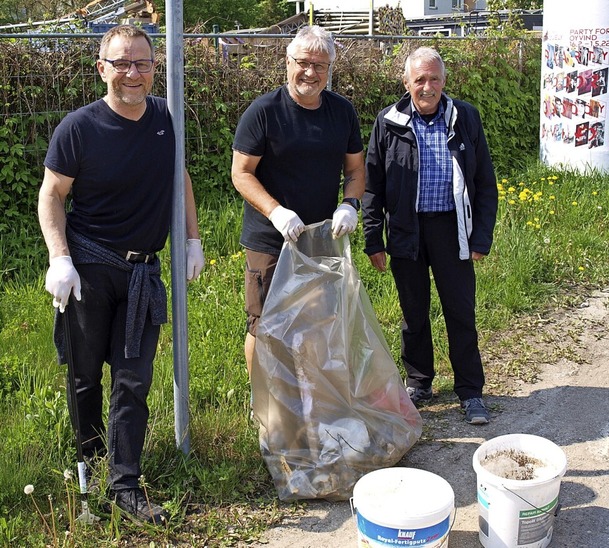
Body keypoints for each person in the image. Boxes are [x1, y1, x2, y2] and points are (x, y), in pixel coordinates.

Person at [38, 24, 204, 523]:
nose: (133, 73)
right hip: (89, 268)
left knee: (133, 380)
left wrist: (193, 239)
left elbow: (181, 176)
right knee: (86, 376)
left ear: (155, 67)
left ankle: (124, 485)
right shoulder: (79, 128)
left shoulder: (163, 118)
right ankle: (87, 467)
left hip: (142, 277)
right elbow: (51, 194)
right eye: (122, 63)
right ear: (102, 69)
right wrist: (59, 258)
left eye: (144, 63)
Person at [362, 47, 497, 424]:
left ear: (444, 81)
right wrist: (373, 239)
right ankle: (419, 382)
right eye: (419, 79)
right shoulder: (388, 122)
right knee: (413, 313)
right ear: (406, 83)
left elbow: (485, 183)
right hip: (406, 229)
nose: (427, 86)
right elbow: (373, 185)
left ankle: (470, 391)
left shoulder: (464, 117)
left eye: (434, 78)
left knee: (460, 311)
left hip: (452, 229)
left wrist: (480, 238)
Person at [231, 25, 365, 377]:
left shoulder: (342, 112)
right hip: (271, 241)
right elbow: (241, 173)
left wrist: (350, 204)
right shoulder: (263, 112)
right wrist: (276, 212)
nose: (310, 72)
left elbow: (355, 170)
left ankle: (309, 401)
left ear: (330, 68)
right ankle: (264, 408)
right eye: (303, 62)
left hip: (321, 238)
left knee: (318, 321)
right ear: (287, 62)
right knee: (264, 324)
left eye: (320, 65)